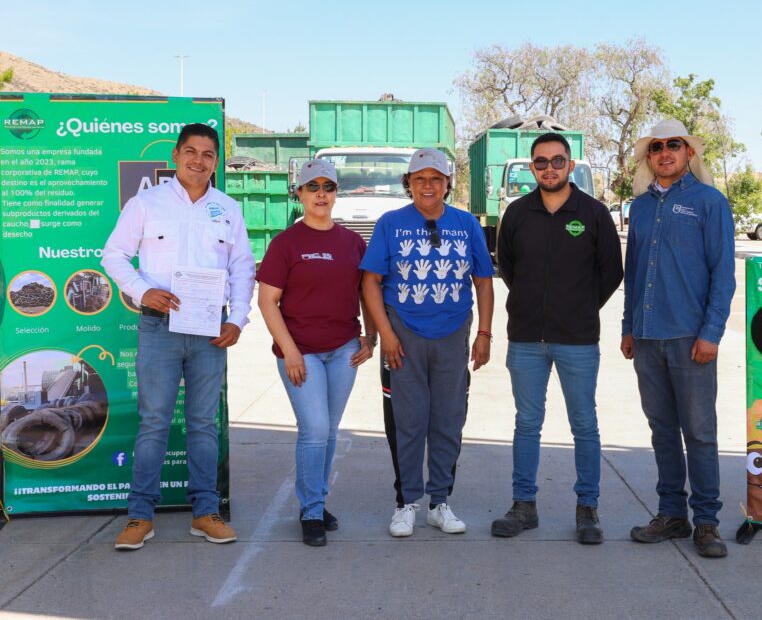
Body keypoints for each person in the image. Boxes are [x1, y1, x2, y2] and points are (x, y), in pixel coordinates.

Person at [102, 123, 255, 550]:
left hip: (210, 331)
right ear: (175, 156)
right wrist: (142, 289)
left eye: (208, 154)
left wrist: (237, 319)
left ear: (216, 162)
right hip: (158, 327)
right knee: (154, 422)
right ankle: (139, 517)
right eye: (191, 152)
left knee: (204, 423)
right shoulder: (146, 204)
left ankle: (205, 512)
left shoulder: (228, 208)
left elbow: (243, 267)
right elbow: (113, 255)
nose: (198, 161)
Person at [491, 132, 623, 544]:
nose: (550, 168)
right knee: (527, 423)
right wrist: (534, 305)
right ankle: (523, 505)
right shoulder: (516, 214)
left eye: (558, 161)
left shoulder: (595, 213)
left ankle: (588, 510)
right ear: (533, 168)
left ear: (571, 164)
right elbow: (508, 269)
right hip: (526, 338)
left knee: (584, 425)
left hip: (578, 340)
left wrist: (579, 308)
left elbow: (611, 272)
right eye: (541, 162)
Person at [360, 148, 494, 537]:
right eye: (420, 178)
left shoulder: (466, 224)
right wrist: (385, 334)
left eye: (436, 178)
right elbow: (370, 281)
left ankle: (440, 502)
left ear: (449, 183)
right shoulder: (390, 223)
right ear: (409, 184)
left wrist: (484, 333)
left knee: (449, 420)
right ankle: (406, 504)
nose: (428, 185)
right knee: (408, 421)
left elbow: (483, 282)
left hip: (453, 334)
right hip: (403, 335)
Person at [620, 118, 736, 558]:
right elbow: (633, 274)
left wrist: (711, 334)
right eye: (656, 147)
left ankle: (707, 522)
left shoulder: (709, 202)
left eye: (674, 145)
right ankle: (672, 515)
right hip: (648, 339)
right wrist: (628, 328)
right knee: (662, 431)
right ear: (648, 157)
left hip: (691, 339)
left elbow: (722, 275)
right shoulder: (642, 207)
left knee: (701, 433)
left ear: (689, 153)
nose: (664, 152)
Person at [255, 159, 376, 547]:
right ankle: (310, 511)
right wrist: (289, 351)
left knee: (329, 432)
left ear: (336, 194)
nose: (321, 193)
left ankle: (317, 501)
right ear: (300, 194)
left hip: (343, 350)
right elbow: (268, 302)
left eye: (328, 187)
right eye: (312, 187)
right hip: (301, 352)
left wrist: (369, 338)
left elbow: (367, 294)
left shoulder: (353, 242)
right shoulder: (286, 243)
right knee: (315, 430)